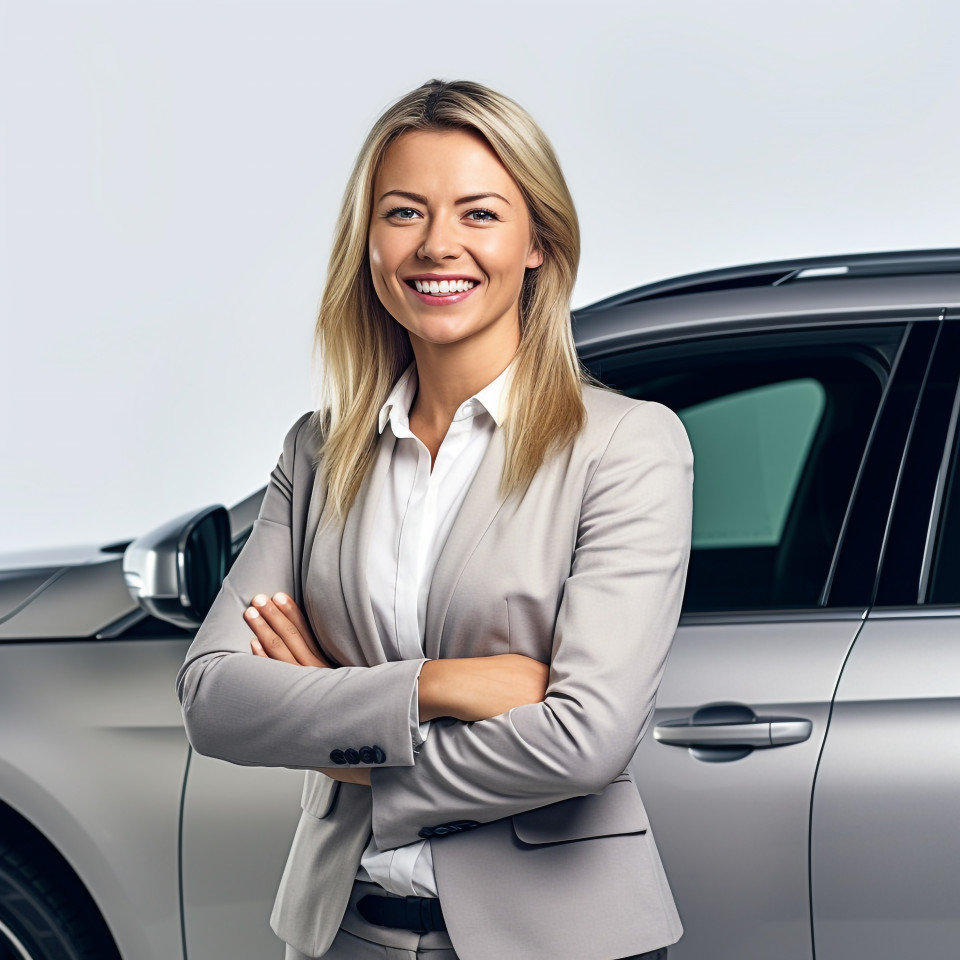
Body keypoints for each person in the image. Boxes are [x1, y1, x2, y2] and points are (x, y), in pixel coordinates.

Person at [175, 78, 694, 960]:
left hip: (559, 940)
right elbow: (214, 699)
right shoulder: (318, 449)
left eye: (480, 214)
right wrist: (438, 687)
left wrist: (343, 743)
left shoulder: (627, 446)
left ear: (539, 242)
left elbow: (584, 742)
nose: (437, 245)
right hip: (344, 931)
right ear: (368, 241)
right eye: (404, 212)